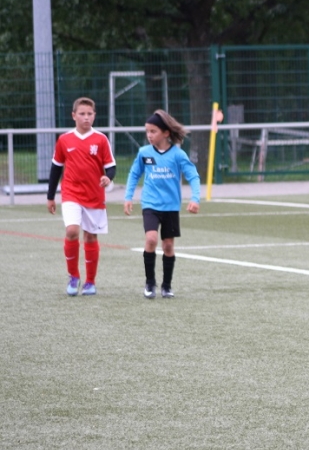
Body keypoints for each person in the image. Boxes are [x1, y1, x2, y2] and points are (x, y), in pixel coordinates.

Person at [123, 110, 201, 299]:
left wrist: (195, 198)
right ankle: (150, 283)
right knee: (151, 240)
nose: (149, 135)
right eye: (147, 131)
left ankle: (167, 286)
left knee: (168, 246)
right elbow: (134, 174)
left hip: (171, 207)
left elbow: (193, 175)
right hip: (150, 204)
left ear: (166, 133)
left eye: (153, 131)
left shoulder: (178, 155)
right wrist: (128, 197)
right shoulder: (144, 153)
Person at [46, 97, 116, 296]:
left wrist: (108, 177)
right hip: (71, 193)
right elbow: (56, 169)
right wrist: (50, 196)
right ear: (74, 115)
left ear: (94, 116)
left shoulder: (101, 139)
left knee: (91, 236)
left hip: (94, 195)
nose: (86, 117)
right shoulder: (64, 140)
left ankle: (90, 282)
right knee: (72, 230)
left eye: (89, 114)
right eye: (82, 114)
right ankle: (74, 276)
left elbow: (111, 167)